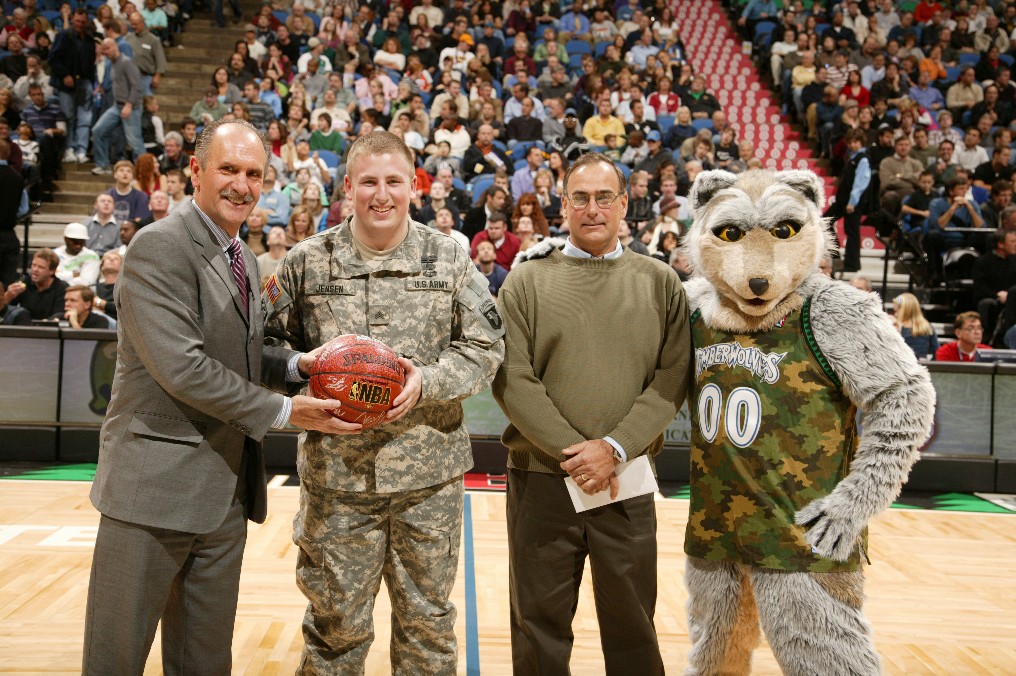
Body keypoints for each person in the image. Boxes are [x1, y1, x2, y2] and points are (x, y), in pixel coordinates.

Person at [82, 118, 351, 675]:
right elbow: (183, 368)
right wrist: (282, 410)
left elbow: (242, 358)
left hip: (224, 493)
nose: (242, 184)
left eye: (254, 173)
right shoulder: (158, 247)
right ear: (196, 171)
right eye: (228, 169)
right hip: (151, 493)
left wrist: (302, 365)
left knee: (204, 662)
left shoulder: (243, 257)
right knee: (115, 659)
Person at [263, 130, 505, 673]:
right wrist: (305, 367)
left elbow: (487, 346)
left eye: (393, 181)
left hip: (429, 482)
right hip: (336, 483)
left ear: (413, 186)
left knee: (427, 626)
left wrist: (429, 380)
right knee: (334, 629)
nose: (381, 194)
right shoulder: (307, 262)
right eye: (368, 181)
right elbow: (259, 346)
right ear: (347, 187)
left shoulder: (448, 259)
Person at [492, 152, 692, 675]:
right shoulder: (527, 282)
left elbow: (672, 378)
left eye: (605, 197)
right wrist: (580, 456)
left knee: (633, 627)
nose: (593, 208)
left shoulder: (659, 282)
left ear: (624, 204)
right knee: (538, 628)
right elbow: (513, 379)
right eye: (580, 197)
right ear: (563, 205)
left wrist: (614, 449)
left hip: (625, 479)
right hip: (541, 480)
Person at [91, 38, 144, 174]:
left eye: (108, 48)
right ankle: (102, 165)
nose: (105, 51)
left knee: (134, 141)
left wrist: (129, 105)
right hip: (116, 106)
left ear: (116, 46)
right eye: (103, 49)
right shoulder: (112, 64)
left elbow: (136, 86)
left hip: (131, 106)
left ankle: (143, 172)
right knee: (98, 130)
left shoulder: (126, 62)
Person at [4, 248, 68, 320]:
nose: (35, 270)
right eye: (34, 265)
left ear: (52, 271)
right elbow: (4, 314)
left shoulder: (62, 289)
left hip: (49, 328)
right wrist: (7, 297)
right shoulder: (23, 283)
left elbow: (58, 316)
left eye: (41, 267)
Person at [892, 292, 939, 359]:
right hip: (922, 365)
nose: (895, 314)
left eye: (896, 311)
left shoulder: (897, 328)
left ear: (904, 311)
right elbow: (937, 351)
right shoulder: (927, 327)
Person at [93, 250, 120, 319]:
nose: (111, 259)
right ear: (102, 266)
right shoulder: (93, 287)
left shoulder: (123, 288)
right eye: (108, 258)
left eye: (116, 259)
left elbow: (121, 308)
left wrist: (99, 302)